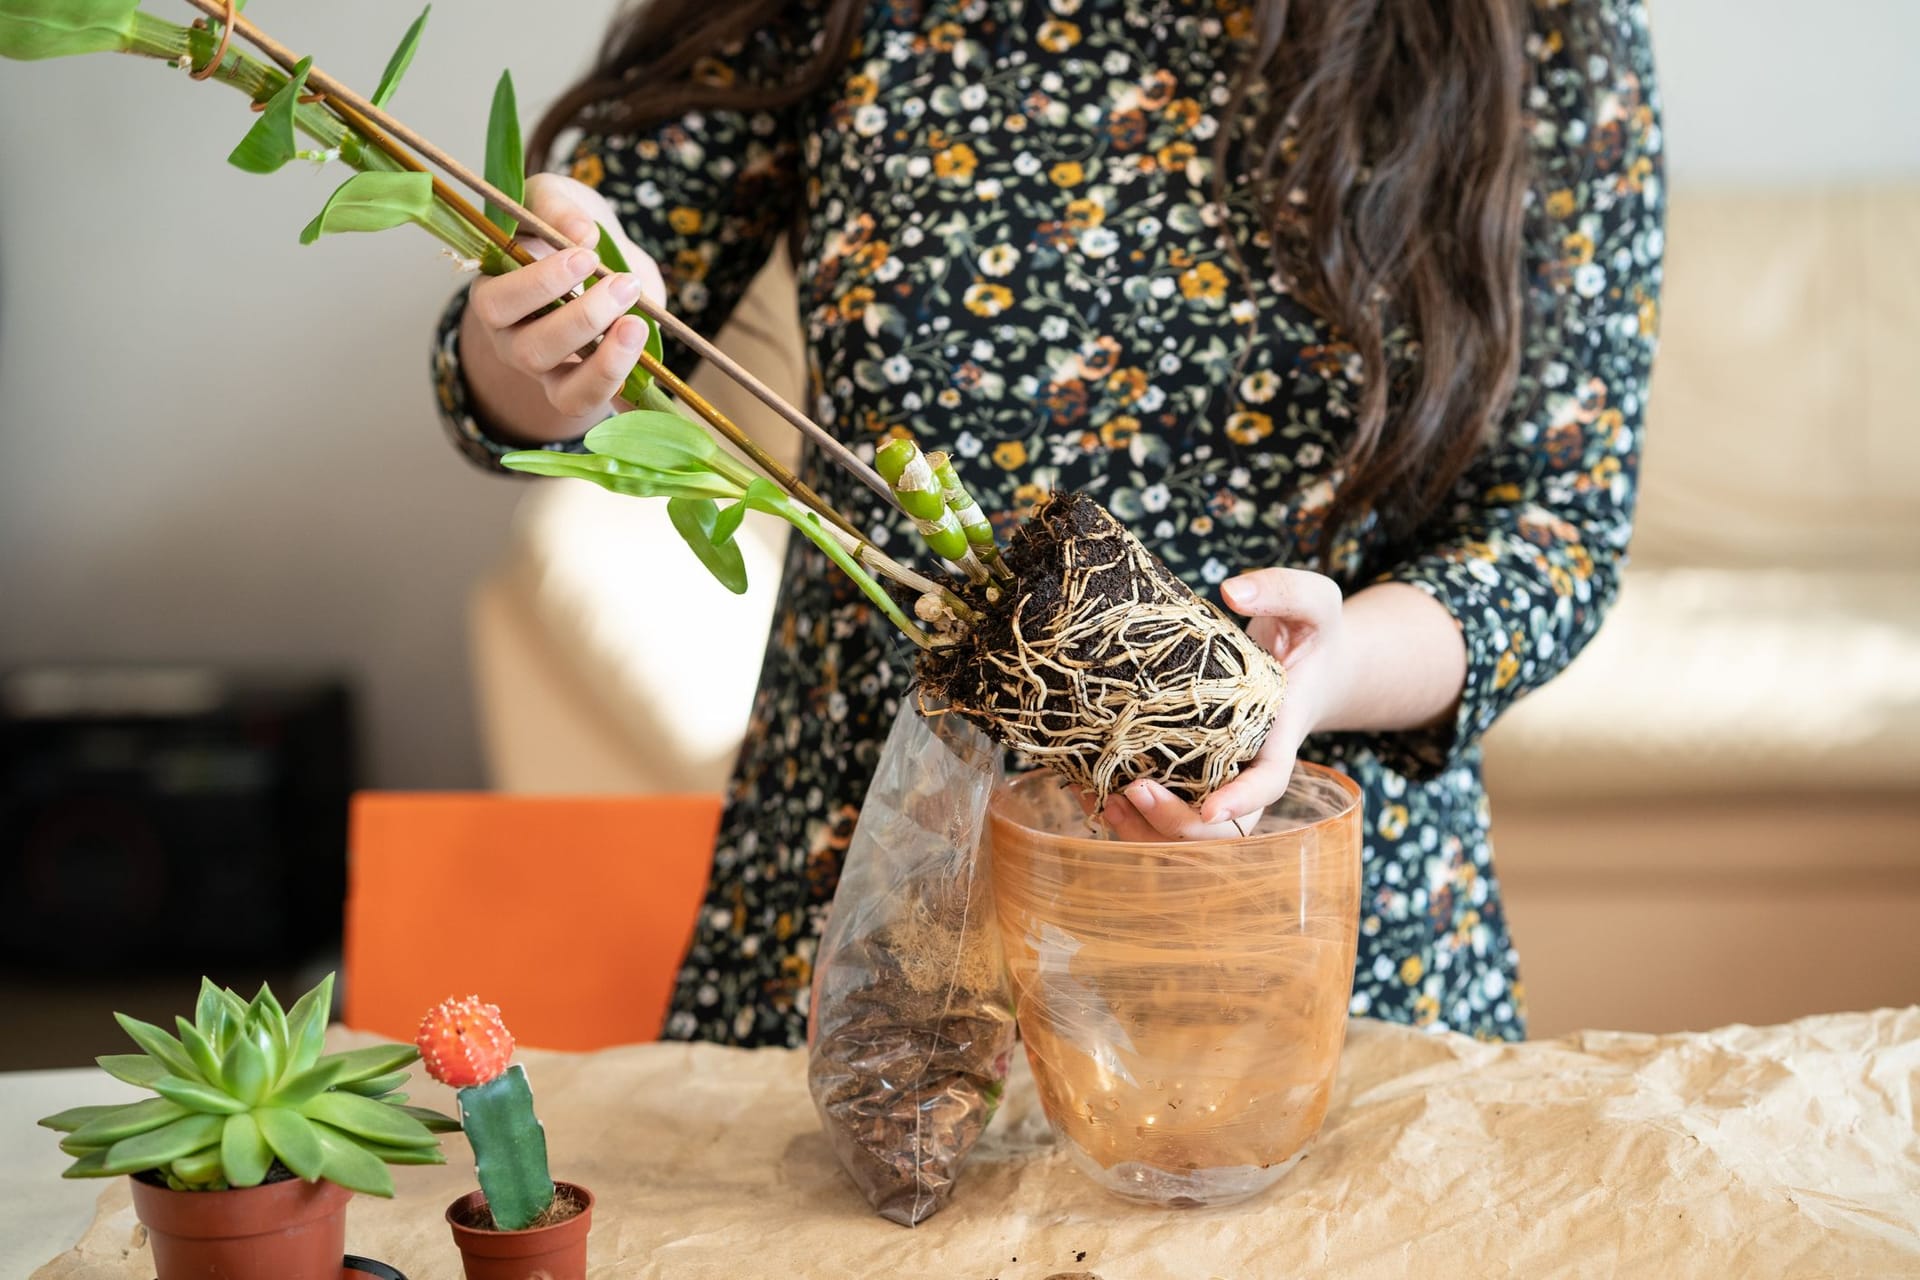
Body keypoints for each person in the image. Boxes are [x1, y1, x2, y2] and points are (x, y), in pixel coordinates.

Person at [431, 0, 1662, 1046]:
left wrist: (1321, 673)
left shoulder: (1539, 27)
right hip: (881, 896)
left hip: (1306, 900)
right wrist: (531, 325)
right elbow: (541, 368)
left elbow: (1555, 524)